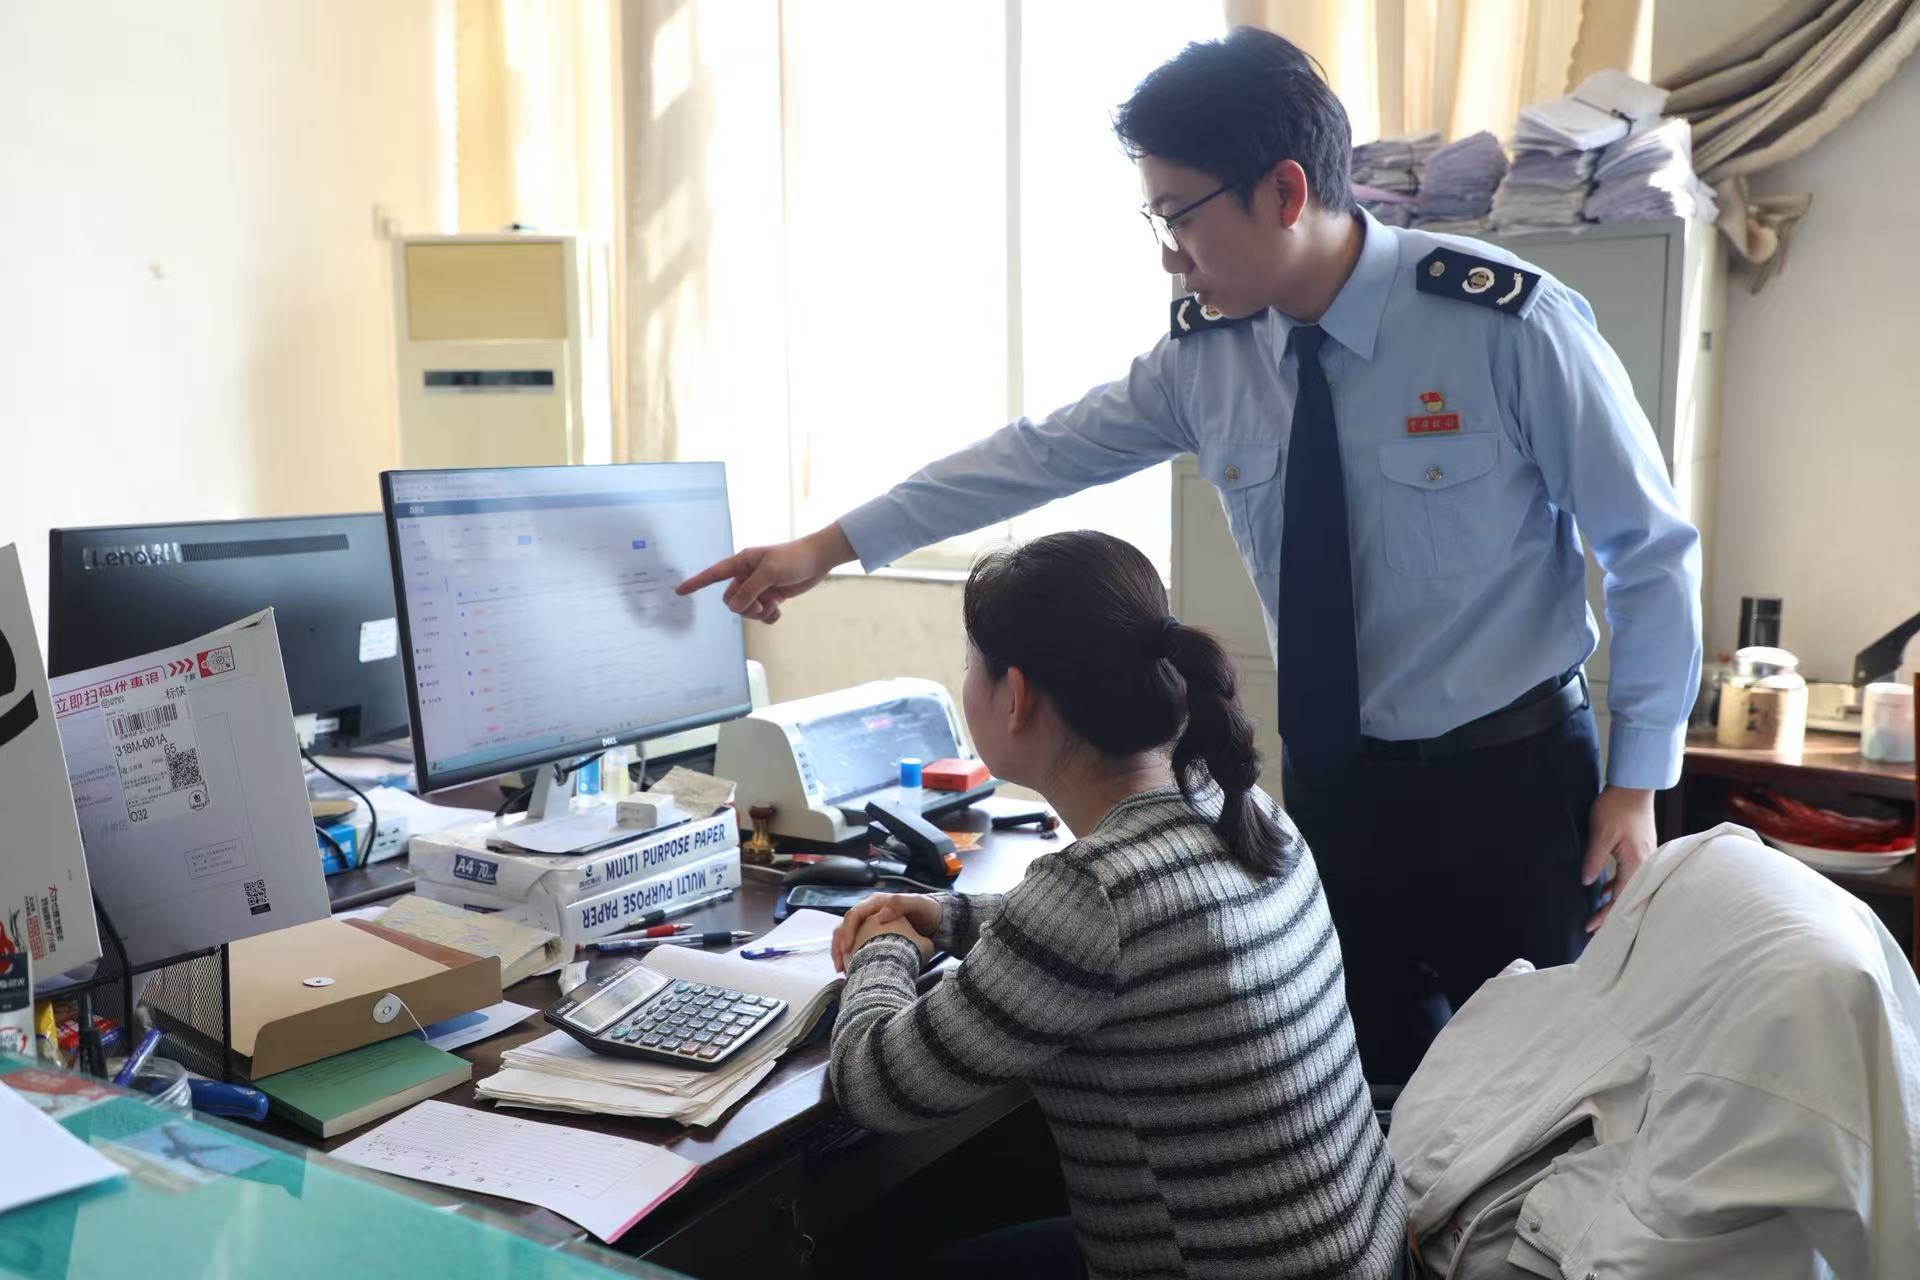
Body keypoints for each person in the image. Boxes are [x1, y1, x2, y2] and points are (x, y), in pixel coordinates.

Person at [680, 28, 1702, 1085]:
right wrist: (828, 547)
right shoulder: (1206, 359)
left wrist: (1637, 785)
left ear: (1284, 191)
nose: (1168, 252)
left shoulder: (1503, 322)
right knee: (1366, 1078)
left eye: (1179, 216)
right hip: (1336, 789)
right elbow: (1034, 455)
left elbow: (1650, 550)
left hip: (1514, 788)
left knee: (1534, 1097)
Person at [826, 530, 1407, 1280]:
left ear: (1016, 696)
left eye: (971, 665)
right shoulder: (1239, 806)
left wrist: (885, 946)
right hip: (1363, 1254)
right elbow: (1137, 939)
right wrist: (950, 917)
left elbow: (873, 1086)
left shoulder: (1093, 895)